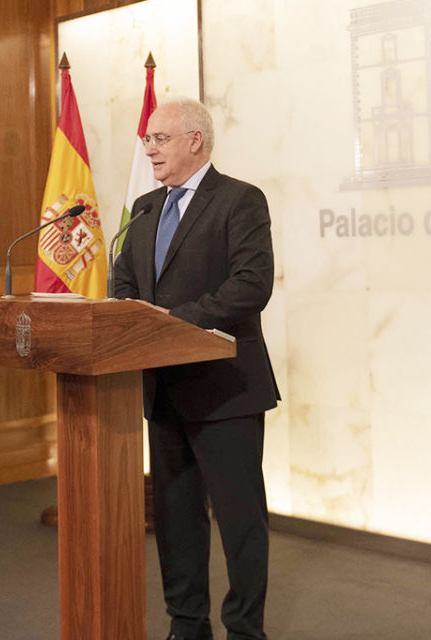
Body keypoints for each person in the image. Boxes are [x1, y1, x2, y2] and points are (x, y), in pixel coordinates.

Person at [113, 99, 279, 640]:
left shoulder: (239, 201)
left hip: (225, 391)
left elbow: (251, 285)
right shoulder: (142, 208)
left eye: (159, 138)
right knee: (176, 522)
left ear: (194, 140)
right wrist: (138, 320)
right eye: (147, 140)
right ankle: (187, 626)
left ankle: (245, 629)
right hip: (163, 393)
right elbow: (123, 287)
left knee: (239, 523)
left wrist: (174, 322)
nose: (150, 148)